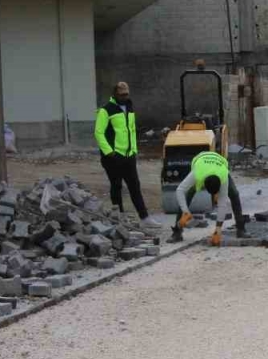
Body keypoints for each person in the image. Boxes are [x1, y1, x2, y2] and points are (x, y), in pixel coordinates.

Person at [94, 82, 156, 224]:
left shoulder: (129, 107)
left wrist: (134, 150)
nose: (125, 97)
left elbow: (131, 130)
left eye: (126, 94)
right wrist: (109, 152)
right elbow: (98, 133)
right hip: (113, 157)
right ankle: (119, 218)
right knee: (116, 186)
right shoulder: (106, 110)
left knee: (135, 186)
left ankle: (145, 217)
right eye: (122, 95)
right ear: (115, 94)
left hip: (129, 155)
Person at [171, 151, 251, 245]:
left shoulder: (223, 176)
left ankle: (241, 229)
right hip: (201, 162)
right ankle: (177, 232)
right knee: (188, 195)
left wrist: (218, 230)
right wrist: (185, 211)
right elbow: (180, 190)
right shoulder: (197, 173)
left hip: (220, 165)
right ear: (204, 185)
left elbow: (222, 204)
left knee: (234, 194)